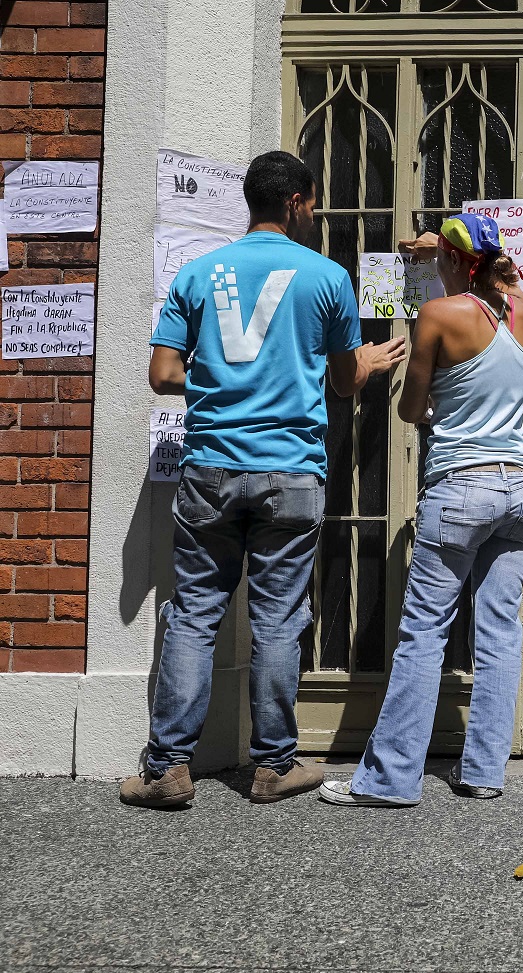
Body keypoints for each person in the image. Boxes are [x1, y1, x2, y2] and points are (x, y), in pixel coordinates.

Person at [120, 151, 406, 809]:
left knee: (193, 615)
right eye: (314, 203)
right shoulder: (328, 278)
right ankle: (275, 765)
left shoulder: (197, 274)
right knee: (279, 620)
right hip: (290, 472)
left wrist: (225, 383)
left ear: (251, 202)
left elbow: (163, 375)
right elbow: (340, 381)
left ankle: (167, 770)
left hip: (211, 469)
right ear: (300, 199)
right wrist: (362, 362)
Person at [319, 212, 523, 807]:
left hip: (461, 487)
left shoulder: (439, 315)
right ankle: (484, 772)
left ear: (449, 258)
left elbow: (410, 409)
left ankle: (389, 779)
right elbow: (503, 274)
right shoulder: (520, 310)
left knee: (423, 632)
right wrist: (442, 248)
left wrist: (426, 255)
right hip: (520, 491)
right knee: (498, 633)